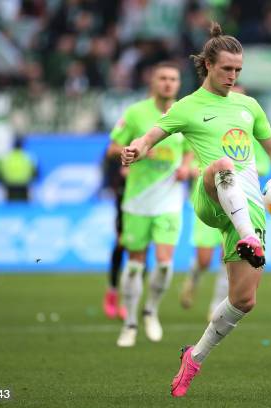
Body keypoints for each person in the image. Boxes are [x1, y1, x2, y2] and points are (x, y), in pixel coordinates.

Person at [121, 22, 271, 397]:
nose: (233, 76)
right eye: (227, 69)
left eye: (238, 70)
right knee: (223, 165)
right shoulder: (189, 106)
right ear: (207, 65)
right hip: (211, 197)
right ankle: (246, 238)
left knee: (244, 300)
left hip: (250, 205)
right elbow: (153, 135)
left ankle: (193, 357)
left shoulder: (248, 105)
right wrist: (136, 149)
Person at [107, 61, 194, 347]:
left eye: (173, 78)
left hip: (169, 200)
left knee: (166, 265)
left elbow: (192, 151)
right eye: (163, 78)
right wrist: (130, 151)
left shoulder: (185, 113)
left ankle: (151, 311)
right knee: (134, 266)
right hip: (137, 201)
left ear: (178, 84)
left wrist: (186, 167)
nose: (168, 83)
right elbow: (112, 148)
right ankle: (129, 323)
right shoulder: (135, 113)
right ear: (152, 82)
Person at [179, 85, 271, 321]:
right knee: (203, 258)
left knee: (227, 256)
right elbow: (190, 163)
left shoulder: (249, 138)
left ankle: (215, 305)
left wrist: (242, 168)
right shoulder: (202, 129)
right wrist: (190, 171)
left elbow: (263, 165)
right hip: (210, 202)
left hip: (239, 204)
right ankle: (194, 278)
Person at [101, 152, 127, 320]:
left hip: (148, 206)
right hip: (126, 208)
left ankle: (128, 301)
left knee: (141, 255)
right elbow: (109, 153)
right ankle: (112, 291)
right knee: (119, 247)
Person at [0, 137, 36, 202]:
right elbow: (34, 171)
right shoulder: (27, 156)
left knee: (10, 204)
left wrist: (1, 181)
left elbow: (0, 172)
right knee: (24, 204)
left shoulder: (7, 157)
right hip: (24, 184)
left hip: (10, 184)